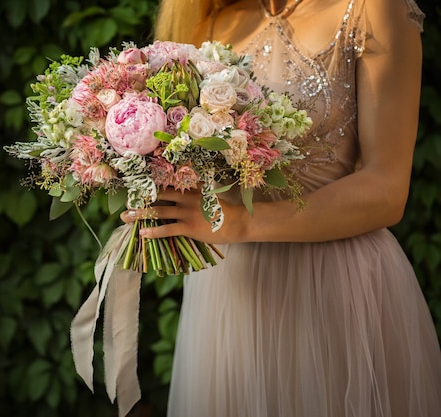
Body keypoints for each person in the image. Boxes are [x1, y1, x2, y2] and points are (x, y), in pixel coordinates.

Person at [120, 0, 441, 415]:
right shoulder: (211, 20)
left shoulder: (372, 10)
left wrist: (237, 223)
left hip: (337, 287)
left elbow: (386, 189)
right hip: (231, 292)